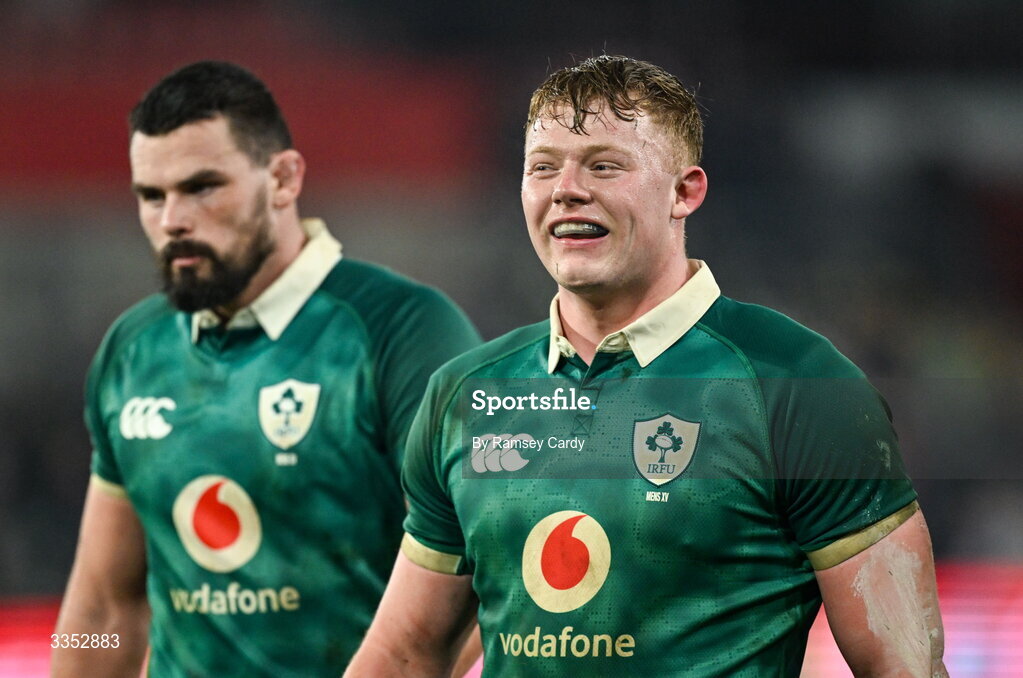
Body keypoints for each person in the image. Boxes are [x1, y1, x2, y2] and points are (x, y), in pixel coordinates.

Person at [345, 55, 948, 677]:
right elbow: (404, 654)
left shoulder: (798, 384)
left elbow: (903, 667)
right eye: (542, 167)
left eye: (604, 165)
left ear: (684, 192)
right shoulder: (466, 395)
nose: (566, 189)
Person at [51, 60, 481, 677]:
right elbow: (101, 615)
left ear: (283, 179)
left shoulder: (403, 331)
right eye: (152, 196)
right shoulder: (133, 350)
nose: (171, 220)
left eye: (201, 187)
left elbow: (477, 588)